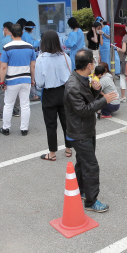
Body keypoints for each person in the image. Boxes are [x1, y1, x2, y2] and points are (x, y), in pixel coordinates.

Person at [64, 49, 117, 213]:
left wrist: (95, 90)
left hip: (85, 129)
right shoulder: (73, 84)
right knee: (91, 166)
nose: (95, 65)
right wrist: (104, 100)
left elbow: (87, 101)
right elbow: (83, 110)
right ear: (88, 65)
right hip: (79, 132)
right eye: (93, 62)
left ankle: (81, 190)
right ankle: (91, 201)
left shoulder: (82, 78)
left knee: (83, 162)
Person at [35, 30, 73, 161]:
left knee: (50, 124)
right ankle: (68, 149)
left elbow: (39, 83)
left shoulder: (40, 59)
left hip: (49, 93)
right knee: (66, 122)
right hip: (64, 91)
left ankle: (52, 153)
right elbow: (70, 75)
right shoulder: (65, 56)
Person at [0, 23, 36, 136]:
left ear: (10, 34)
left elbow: (3, 67)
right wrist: (32, 79)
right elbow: (33, 66)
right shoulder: (30, 47)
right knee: (25, 105)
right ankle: (24, 129)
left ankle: (6, 128)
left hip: (12, 80)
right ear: (22, 33)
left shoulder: (6, 48)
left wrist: (1, 81)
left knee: (8, 105)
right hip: (26, 79)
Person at [0, 21, 20, 120]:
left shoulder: (4, 41)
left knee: (3, 90)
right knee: (16, 89)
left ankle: (3, 113)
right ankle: (16, 110)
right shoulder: (18, 40)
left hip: (6, 68)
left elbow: (1, 58)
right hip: (17, 68)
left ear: (6, 29)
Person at [115, 20, 127, 101]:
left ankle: (123, 96)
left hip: (126, 59)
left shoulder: (126, 37)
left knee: (123, 77)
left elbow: (123, 50)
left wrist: (118, 49)